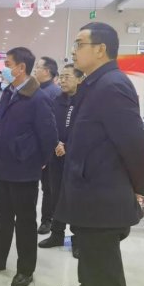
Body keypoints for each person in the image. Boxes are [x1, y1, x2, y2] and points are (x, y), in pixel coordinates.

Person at [55, 23, 144, 286]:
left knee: (104, 271)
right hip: (88, 190)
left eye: (79, 44)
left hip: (102, 194)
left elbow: (134, 144)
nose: (73, 51)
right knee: (90, 256)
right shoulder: (94, 83)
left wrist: (139, 187)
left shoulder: (113, 85)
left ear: (100, 49)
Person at [0, 47, 57, 286]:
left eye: (8, 64)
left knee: (25, 222)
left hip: (24, 171)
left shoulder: (37, 98)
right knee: (2, 218)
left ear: (21, 68)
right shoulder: (9, 92)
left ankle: (25, 269)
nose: (4, 69)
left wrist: (35, 160)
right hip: (3, 167)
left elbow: (49, 137)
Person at [38, 64, 83, 258]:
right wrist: (56, 142)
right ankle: (57, 234)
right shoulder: (56, 100)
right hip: (56, 155)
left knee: (76, 198)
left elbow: (86, 130)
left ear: (79, 79)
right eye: (61, 77)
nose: (63, 81)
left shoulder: (86, 101)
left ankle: (78, 239)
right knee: (55, 194)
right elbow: (48, 125)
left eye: (67, 77)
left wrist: (68, 146)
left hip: (77, 158)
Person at [33, 56, 62, 235]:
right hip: (34, 147)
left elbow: (53, 126)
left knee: (48, 187)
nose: (35, 70)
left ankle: (47, 220)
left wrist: (47, 151)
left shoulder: (55, 93)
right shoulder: (36, 90)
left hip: (48, 150)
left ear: (47, 71)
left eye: (38, 67)